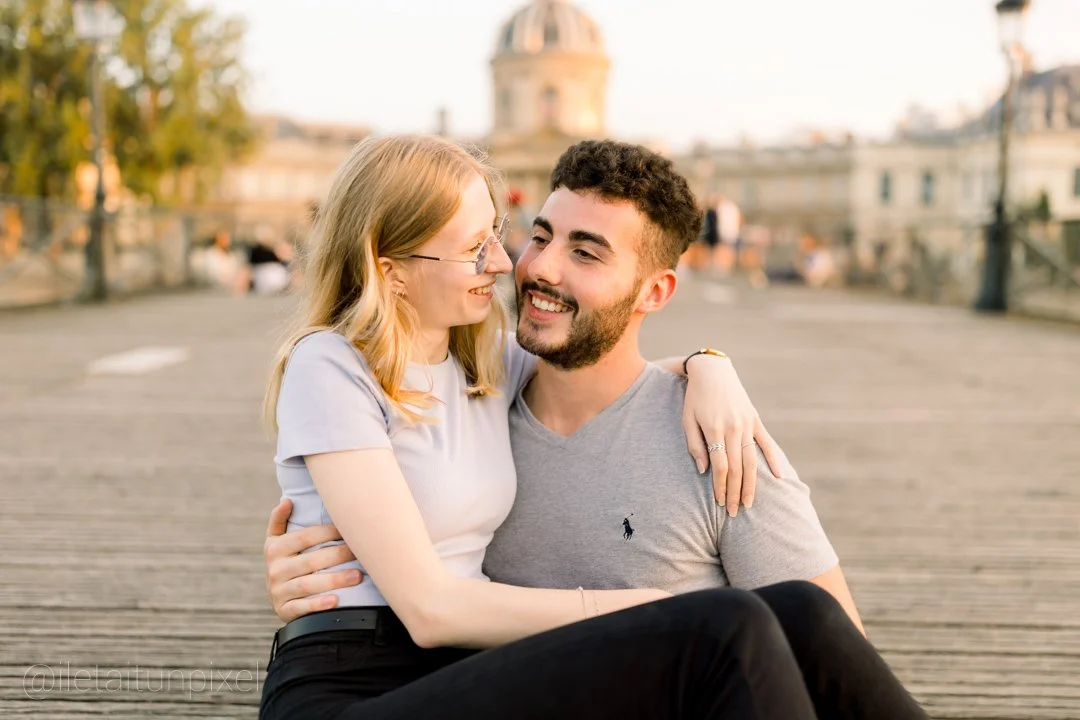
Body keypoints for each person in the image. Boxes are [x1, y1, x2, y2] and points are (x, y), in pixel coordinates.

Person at [266, 139, 929, 720]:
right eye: (481, 248)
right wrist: (654, 608)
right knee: (724, 626)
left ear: (654, 290)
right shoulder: (332, 364)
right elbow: (431, 607)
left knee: (800, 614)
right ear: (391, 269)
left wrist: (709, 366)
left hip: (456, 675)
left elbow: (596, 359)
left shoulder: (482, 360)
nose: (512, 264)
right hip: (359, 685)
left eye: (500, 235)